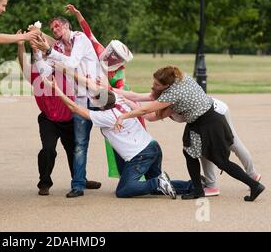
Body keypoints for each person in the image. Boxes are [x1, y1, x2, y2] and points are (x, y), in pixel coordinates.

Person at [113, 66, 265, 201]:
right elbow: (149, 99)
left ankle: (254, 185)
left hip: (209, 123)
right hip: (200, 122)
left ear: (167, 85)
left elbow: (147, 111)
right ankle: (198, 191)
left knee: (221, 161)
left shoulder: (172, 95)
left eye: (157, 84)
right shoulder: (182, 78)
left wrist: (123, 116)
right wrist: (112, 91)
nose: (154, 86)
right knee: (189, 153)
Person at [44, 75, 194, 199]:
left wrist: (56, 89)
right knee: (155, 185)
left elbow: (74, 107)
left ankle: (157, 183)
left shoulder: (106, 116)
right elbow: (91, 85)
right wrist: (71, 73)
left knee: (125, 190)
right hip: (152, 147)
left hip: (140, 155)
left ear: (101, 106)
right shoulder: (117, 98)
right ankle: (193, 185)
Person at [31, 17, 103, 198]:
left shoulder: (80, 38)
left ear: (66, 25)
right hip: (79, 101)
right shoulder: (56, 49)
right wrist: (38, 54)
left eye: (57, 25)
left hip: (98, 96)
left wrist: (47, 49)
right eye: (52, 27)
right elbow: (46, 72)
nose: (54, 29)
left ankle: (132, 175)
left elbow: (72, 62)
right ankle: (78, 185)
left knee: (115, 136)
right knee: (79, 145)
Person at [65, 4, 139, 179]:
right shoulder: (99, 50)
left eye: (115, 57)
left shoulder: (119, 72)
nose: (111, 57)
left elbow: (119, 94)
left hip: (107, 100)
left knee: (118, 141)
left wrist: (107, 88)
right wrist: (78, 15)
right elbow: (88, 33)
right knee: (82, 143)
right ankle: (80, 182)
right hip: (87, 96)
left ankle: (126, 175)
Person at [16, 39, 75, 196]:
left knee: (74, 151)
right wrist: (20, 46)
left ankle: (79, 180)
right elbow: (23, 64)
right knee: (48, 150)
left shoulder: (63, 68)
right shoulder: (35, 72)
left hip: (69, 118)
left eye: (43, 49)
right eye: (37, 51)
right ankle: (44, 183)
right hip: (48, 119)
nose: (40, 52)